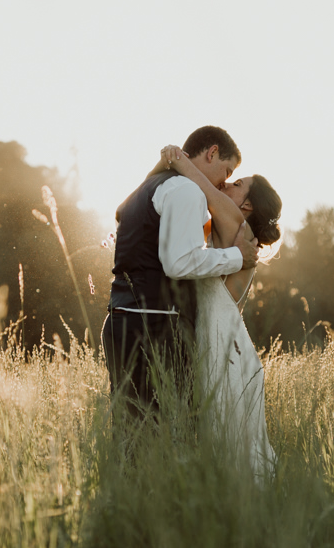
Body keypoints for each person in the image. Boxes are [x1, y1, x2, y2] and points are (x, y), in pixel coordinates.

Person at [102, 126, 259, 421]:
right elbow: (179, 264)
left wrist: (166, 164)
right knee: (162, 433)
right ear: (212, 153)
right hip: (155, 327)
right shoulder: (187, 191)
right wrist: (237, 256)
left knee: (129, 432)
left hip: (119, 321)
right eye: (226, 171)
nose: (223, 183)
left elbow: (120, 211)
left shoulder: (150, 187)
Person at [157, 144, 282, 482]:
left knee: (227, 441)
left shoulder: (234, 220)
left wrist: (175, 156)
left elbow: (203, 184)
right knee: (228, 441)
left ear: (247, 204)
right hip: (225, 342)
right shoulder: (236, 231)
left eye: (236, 182)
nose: (227, 184)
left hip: (224, 350)